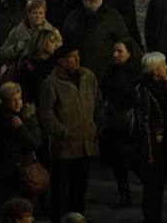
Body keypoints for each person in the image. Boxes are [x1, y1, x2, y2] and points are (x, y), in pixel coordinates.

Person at [39, 44, 100, 223]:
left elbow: (98, 102)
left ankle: (78, 217)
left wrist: (94, 126)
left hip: (85, 142)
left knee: (79, 186)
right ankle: (58, 218)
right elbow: (46, 113)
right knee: (60, 187)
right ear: (62, 61)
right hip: (64, 146)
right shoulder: (51, 82)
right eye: (72, 56)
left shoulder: (88, 77)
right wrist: (61, 131)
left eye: (78, 55)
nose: (77, 59)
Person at [135, 51, 167, 223]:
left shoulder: (162, 86)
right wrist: (149, 154)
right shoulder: (145, 90)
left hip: (164, 145)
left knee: (158, 187)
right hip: (155, 149)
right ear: (155, 70)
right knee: (153, 189)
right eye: (163, 65)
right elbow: (144, 124)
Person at [100, 38, 143, 209]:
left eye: (120, 51)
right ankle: (124, 195)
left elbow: (131, 96)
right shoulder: (110, 70)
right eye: (114, 51)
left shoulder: (135, 72)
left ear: (129, 53)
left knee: (132, 159)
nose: (115, 55)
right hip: (113, 120)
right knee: (118, 161)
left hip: (129, 121)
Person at [0, 81, 42, 203]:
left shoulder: (28, 116)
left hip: (25, 170)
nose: (18, 103)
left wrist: (21, 128)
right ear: (6, 102)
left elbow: (35, 144)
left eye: (20, 98)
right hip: (6, 170)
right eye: (14, 100)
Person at [62, 0, 129, 82]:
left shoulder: (113, 17)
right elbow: (66, 41)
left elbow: (124, 42)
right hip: (78, 72)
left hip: (106, 73)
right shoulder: (73, 17)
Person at [0, 0, 62, 69]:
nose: (38, 16)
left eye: (41, 13)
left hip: (46, 72)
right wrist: (17, 47)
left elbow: (61, 55)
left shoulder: (53, 32)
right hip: (22, 73)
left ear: (45, 14)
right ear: (28, 14)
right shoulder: (17, 31)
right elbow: (3, 54)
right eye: (35, 13)